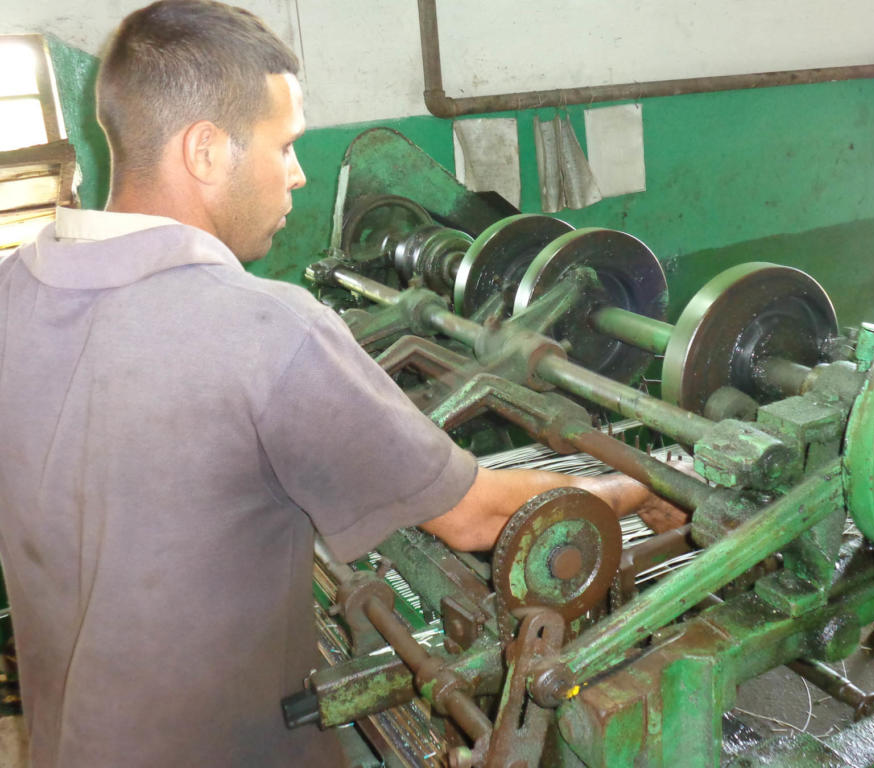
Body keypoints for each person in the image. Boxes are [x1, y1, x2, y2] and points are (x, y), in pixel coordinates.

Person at [0, 1, 688, 766]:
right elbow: (474, 519)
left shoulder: (13, 295)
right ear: (204, 150)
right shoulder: (266, 331)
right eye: (285, 144)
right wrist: (636, 490)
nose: (297, 173)